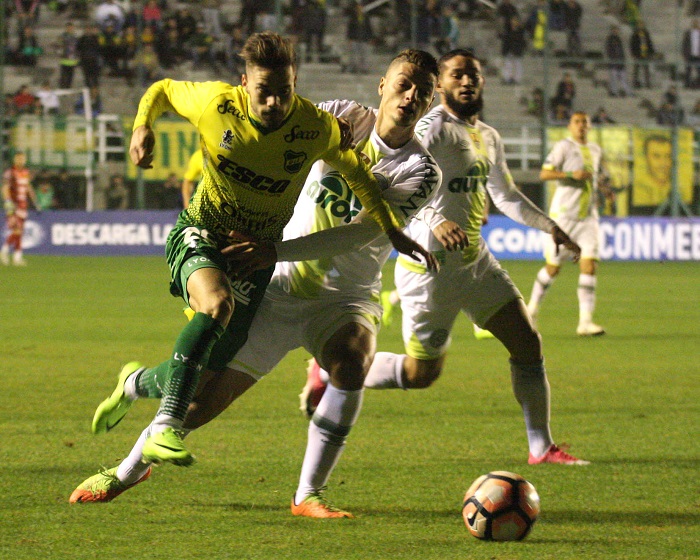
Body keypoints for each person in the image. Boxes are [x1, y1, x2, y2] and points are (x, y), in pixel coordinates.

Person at [69, 33, 433, 504]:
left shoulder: (423, 170)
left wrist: (275, 249)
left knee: (352, 364)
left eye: (423, 92)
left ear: (429, 102)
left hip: (343, 295)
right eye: (404, 84)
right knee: (196, 402)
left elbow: (359, 233)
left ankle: (309, 496)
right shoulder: (337, 116)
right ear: (382, 85)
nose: (410, 96)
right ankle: (124, 469)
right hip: (276, 287)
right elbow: (276, 139)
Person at [303, 50, 588, 472]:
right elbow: (404, 181)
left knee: (527, 342)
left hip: (475, 261)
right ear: (440, 85)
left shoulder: (487, 136)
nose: (466, 81)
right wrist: (435, 220)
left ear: (483, 82)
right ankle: (329, 371)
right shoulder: (429, 127)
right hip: (430, 268)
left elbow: (505, 195)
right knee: (421, 374)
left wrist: (549, 226)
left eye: (473, 75)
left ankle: (541, 447)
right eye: (457, 75)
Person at [527, 111, 613, 336]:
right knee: (553, 268)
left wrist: (605, 190)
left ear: (590, 126)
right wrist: (569, 174)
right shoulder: (563, 147)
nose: (581, 125)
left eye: (585, 122)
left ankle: (585, 322)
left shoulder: (595, 150)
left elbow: (595, 177)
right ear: (570, 126)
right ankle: (531, 310)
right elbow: (544, 174)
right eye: (577, 122)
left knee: (589, 265)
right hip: (564, 217)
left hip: (588, 217)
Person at [1, 152, 38, 266]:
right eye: (18, 158)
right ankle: (4, 250)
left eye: (22, 159)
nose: (20, 161)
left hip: (23, 205)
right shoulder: (10, 172)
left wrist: (34, 200)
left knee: (20, 231)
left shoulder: (26, 172)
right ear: (14, 160)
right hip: (13, 204)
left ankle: (17, 257)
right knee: (17, 230)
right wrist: (8, 202)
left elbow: (28, 186)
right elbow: (5, 188)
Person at [633, 134, 672, 206]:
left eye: (667, 156)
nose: (663, 163)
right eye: (656, 156)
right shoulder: (637, 189)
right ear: (645, 158)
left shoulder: (677, 190)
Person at [605, 25, 632, 98]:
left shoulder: (619, 39)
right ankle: (614, 92)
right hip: (614, 62)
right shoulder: (610, 39)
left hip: (620, 62)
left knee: (623, 78)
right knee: (613, 78)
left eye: (617, 30)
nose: (616, 31)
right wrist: (612, 59)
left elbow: (621, 51)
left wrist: (623, 59)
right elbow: (609, 51)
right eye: (615, 30)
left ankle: (627, 92)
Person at [630, 20, 655, 89]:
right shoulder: (635, 33)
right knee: (636, 70)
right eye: (639, 25)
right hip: (638, 54)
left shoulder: (646, 33)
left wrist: (651, 52)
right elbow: (632, 44)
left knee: (646, 69)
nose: (641, 26)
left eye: (642, 24)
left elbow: (649, 43)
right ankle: (635, 83)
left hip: (645, 53)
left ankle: (648, 84)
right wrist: (633, 53)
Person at [682, 19, 700, 88]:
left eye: (697, 23)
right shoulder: (688, 33)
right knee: (688, 71)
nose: (695, 25)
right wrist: (685, 54)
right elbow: (684, 44)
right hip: (689, 55)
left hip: (698, 56)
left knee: (698, 70)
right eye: (694, 23)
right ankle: (686, 85)